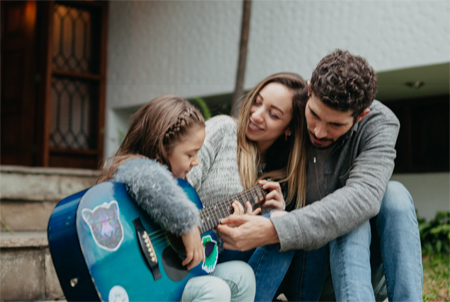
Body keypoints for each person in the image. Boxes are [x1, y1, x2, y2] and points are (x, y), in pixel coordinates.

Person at [217, 50, 423, 301]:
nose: (318, 131)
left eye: (335, 125)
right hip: (305, 271)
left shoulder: (379, 125)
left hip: (362, 268)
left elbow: (363, 198)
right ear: (309, 90)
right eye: (314, 114)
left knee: (392, 196)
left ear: (361, 116)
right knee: (349, 215)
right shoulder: (290, 115)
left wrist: (275, 228)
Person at [97, 95, 256, 302]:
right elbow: (148, 178)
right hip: (144, 286)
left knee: (243, 275)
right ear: (161, 147)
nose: (196, 162)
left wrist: (225, 230)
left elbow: (197, 253)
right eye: (190, 154)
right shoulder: (133, 169)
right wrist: (187, 225)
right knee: (215, 289)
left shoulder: (181, 189)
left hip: (173, 278)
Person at [187, 72, 310, 300]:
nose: (256, 114)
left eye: (273, 114)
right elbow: (178, 183)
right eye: (257, 101)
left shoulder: (277, 180)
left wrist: (272, 213)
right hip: (181, 252)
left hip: (220, 261)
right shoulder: (224, 131)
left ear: (289, 128)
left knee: (285, 225)